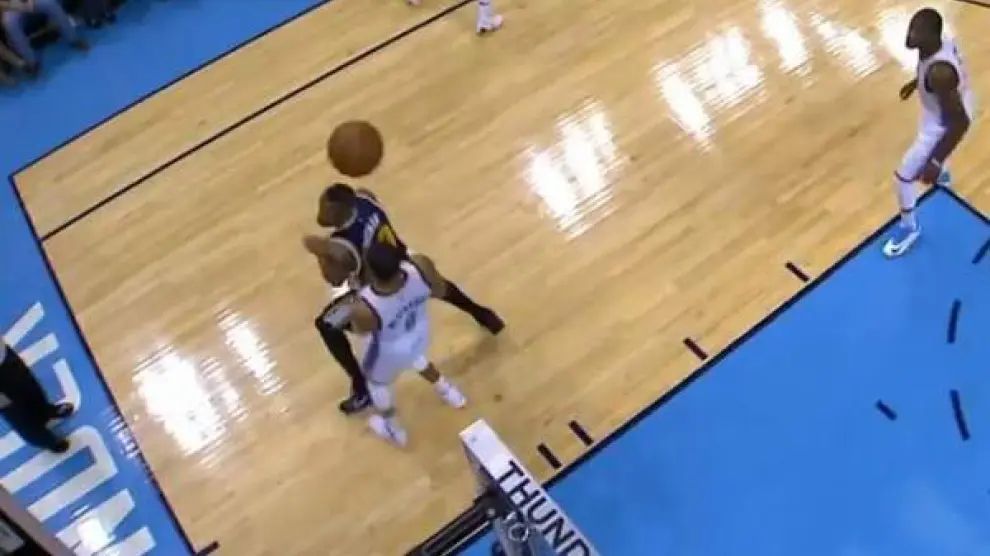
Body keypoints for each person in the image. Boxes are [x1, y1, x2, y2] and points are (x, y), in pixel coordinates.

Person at [304, 184, 503, 415]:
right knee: (435, 283)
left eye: (325, 209)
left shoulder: (341, 247)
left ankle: (361, 388)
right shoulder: (365, 198)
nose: (320, 214)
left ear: (338, 212)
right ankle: (482, 313)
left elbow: (335, 280)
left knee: (327, 324)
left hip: (379, 293)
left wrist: (321, 253)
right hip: (405, 266)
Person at [346, 241, 466, 447]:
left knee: (377, 384)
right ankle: (447, 391)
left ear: (371, 273)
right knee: (417, 357)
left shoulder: (364, 307)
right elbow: (440, 290)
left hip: (388, 352)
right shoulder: (421, 267)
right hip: (419, 333)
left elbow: (360, 331)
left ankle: (394, 429)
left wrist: (355, 294)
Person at [884, 8, 974, 258]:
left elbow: (960, 123)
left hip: (944, 121)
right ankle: (943, 180)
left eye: (917, 31)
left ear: (932, 36)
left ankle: (909, 229)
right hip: (949, 104)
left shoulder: (939, 74)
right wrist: (916, 83)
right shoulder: (941, 44)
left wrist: (934, 161)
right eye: (911, 27)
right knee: (928, 152)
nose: (910, 35)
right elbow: (937, 75)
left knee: (903, 177)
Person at [0, 341, 74, 453]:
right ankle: (45, 440)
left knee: (29, 384)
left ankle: (44, 411)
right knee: (15, 413)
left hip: (3, 355)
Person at [0, 0, 89, 75]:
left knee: (50, 4)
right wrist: (14, 6)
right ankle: (31, 62)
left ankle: (73, 38)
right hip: (10, 7)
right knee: (10, 24)